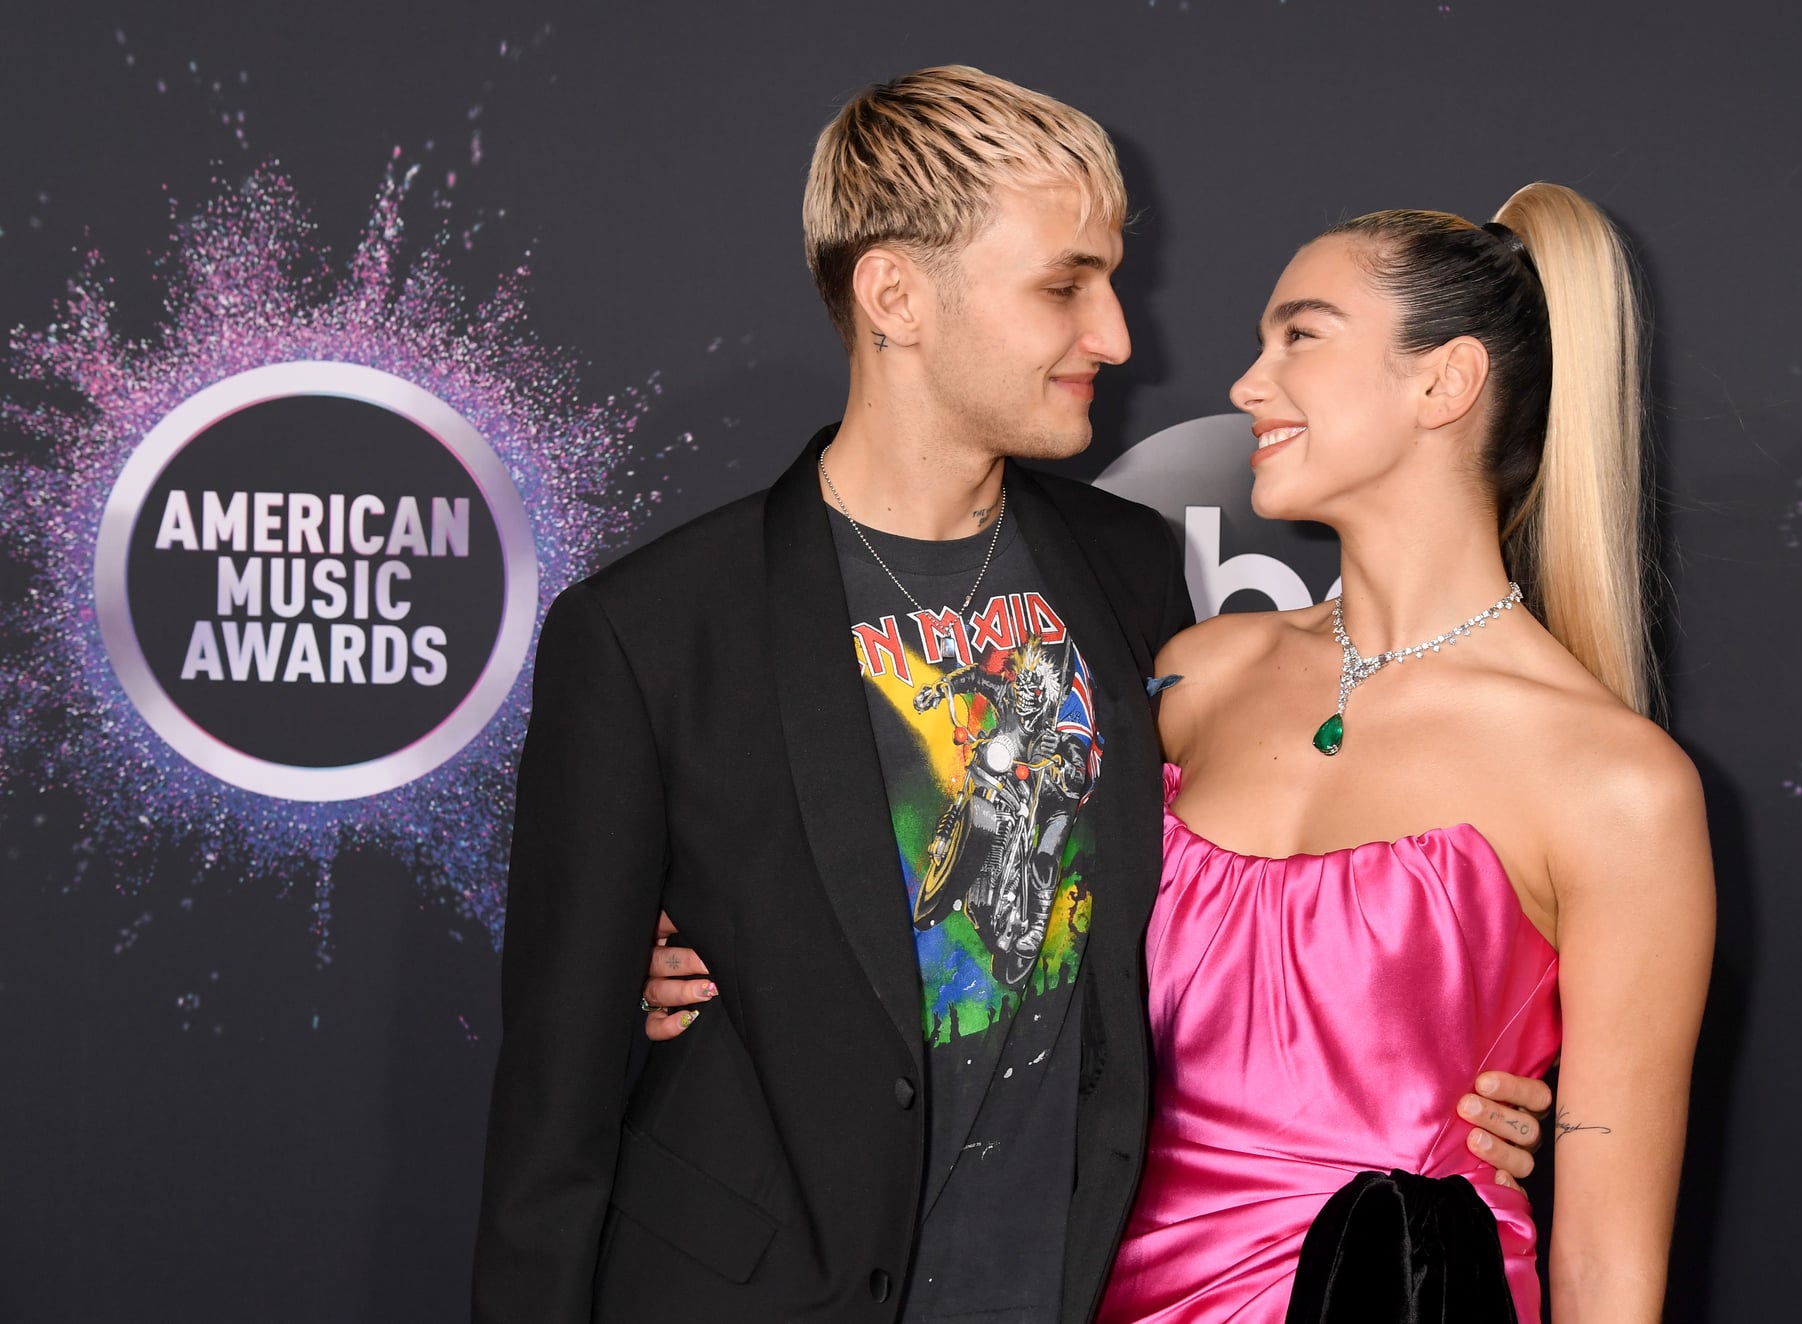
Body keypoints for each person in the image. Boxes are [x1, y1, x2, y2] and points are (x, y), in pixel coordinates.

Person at [478, 66, 1548, 1324]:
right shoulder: (651, 633)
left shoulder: (1128, 568)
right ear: (895, 296)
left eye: (1106, 278)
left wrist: (1450, 1081)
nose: (1115, 335)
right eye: (1062, 286)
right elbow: (551, 1129)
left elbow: (1234, 901)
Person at [1094, 193, 1715, 1323]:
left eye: (1300, 335)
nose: (1245, 384)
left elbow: (1607, 1276)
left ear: (1443, 383)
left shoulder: (1613, 783)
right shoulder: (1196, 679)